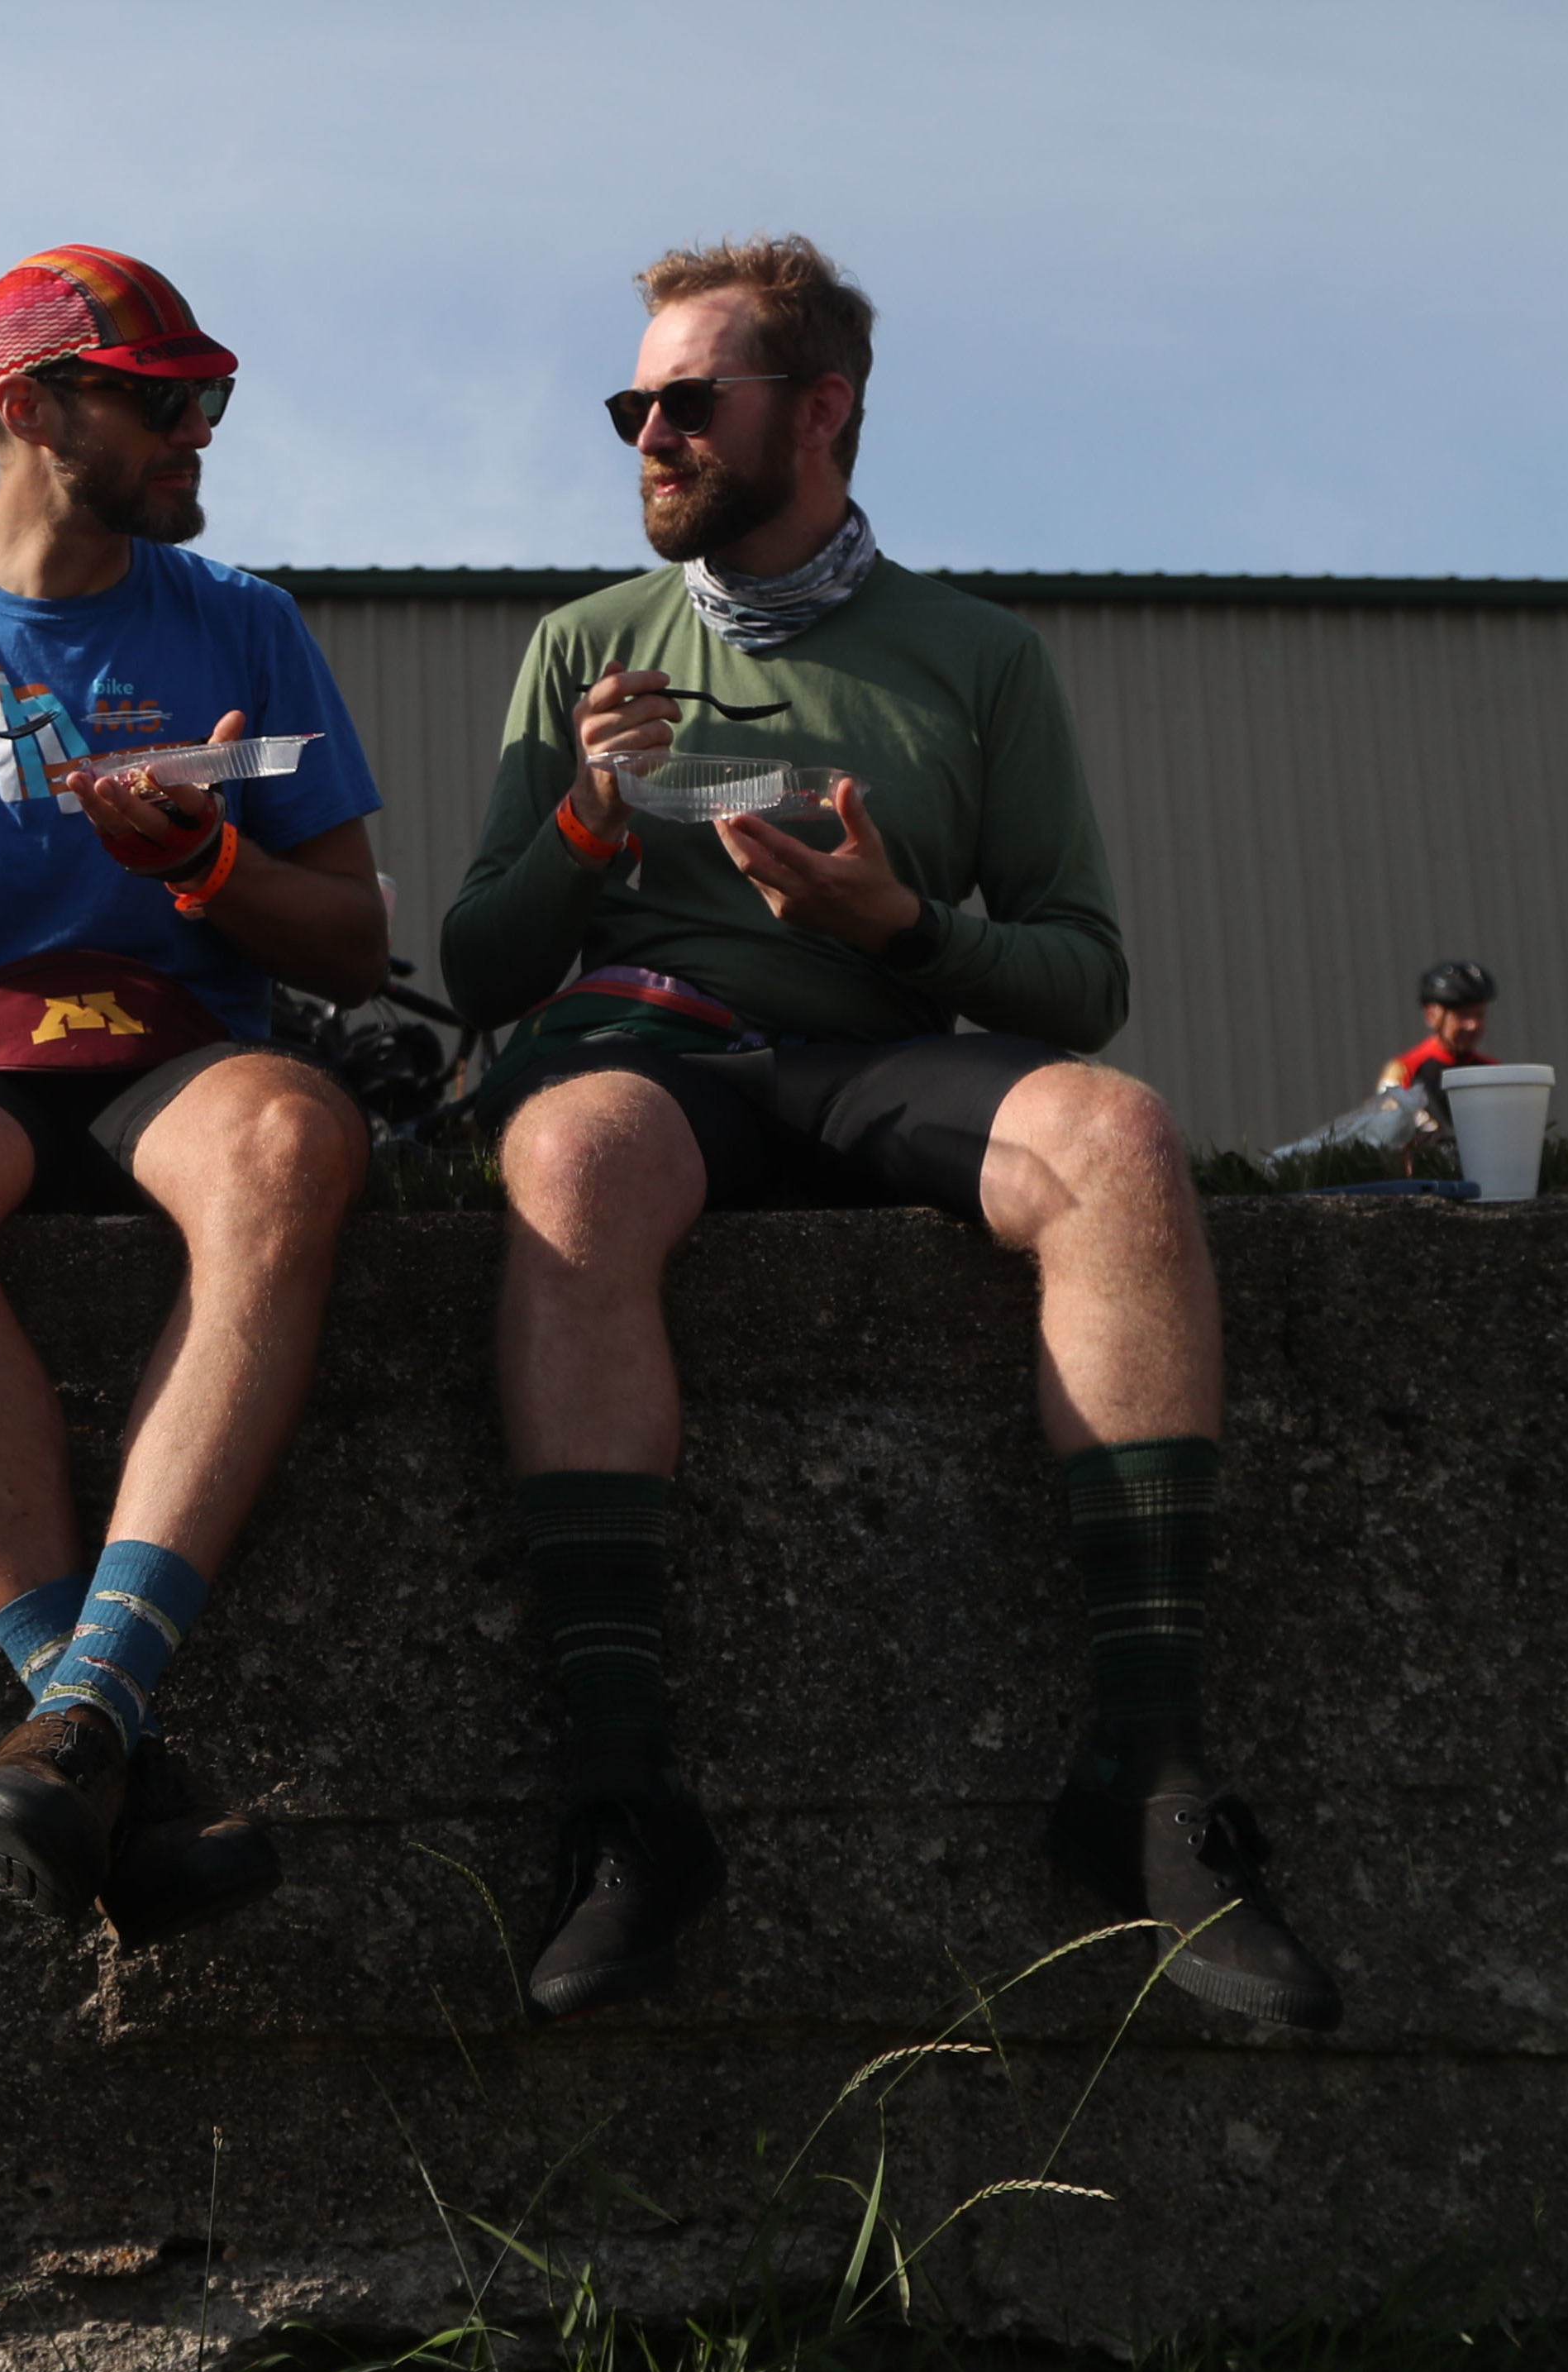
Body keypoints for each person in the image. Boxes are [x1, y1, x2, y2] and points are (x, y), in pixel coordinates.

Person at [445, 233, 1338, 2032]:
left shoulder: (976, 655)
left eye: (689, 400)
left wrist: (899, 929)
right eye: (632, 405)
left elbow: (1081, 973)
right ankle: (628, 1803)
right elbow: (477, 963)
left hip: (878, 1050)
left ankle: (1148, 1786)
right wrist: (594, 819)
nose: (648, 434)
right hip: (660, 1057)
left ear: (826, 410)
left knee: (1116, 1132)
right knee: (565, 1155)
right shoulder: (583, 647)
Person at [0, 245, 392, 1949]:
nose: (203, 431)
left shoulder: (243, 622)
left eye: (211, 400)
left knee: (292, 1135)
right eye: (167, 400)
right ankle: (110, 1731)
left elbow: (354, 935)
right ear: (35, 410)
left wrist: (209, 855)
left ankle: (81, 1708)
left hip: (180, 1046)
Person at [1378, 958, 1497, 1143]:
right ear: (1432, 1014)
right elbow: (1386, 1134)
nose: (1473, 1025)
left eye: (1479, 1015)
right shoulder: (1405, 1070)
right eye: (1463, 1015)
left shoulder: (1494, 1071)